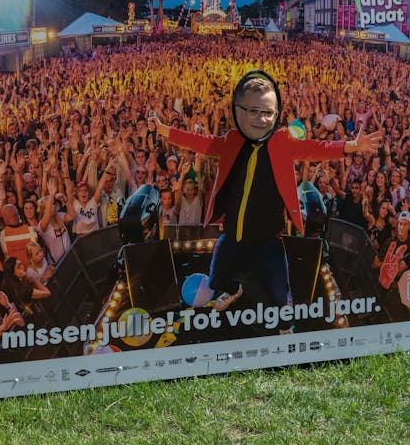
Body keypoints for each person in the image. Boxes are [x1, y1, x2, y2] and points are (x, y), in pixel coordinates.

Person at [148, 70, 382, 312]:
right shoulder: (231, 140)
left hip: (267, 236)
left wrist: (349, 146)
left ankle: (284, 317)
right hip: (234, 232)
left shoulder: (281, 142)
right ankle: (233, 289)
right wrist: (164, 130)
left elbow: (315, 148)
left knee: (280, 292)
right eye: (253, 111)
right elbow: (197, 142)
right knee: (217, 279)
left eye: (266, 113)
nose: (259, 119)